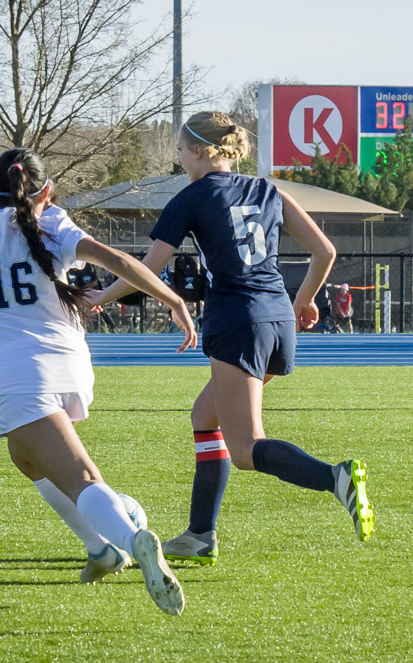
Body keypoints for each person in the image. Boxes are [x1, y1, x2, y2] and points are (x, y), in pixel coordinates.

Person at [0, 147, 194, 615]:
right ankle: (101, 545)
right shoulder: (55, 224)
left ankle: (131, 537)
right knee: (29, 459)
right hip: (70, 364)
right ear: (48, 191)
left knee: (78, 477)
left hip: (15, 375)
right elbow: (118, 260)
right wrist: (172, 300)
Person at [91, 111, 375, 566]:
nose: (178, 157)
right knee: (205, 417)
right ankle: (200, 535)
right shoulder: (268, 189)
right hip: (278, 320)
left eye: (181, 149)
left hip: (238, 321)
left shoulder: (191, 198)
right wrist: (302, 302)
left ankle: (336, 479)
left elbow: (147, 267)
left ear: (201, 152)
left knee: (245, 448)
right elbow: (325, 251)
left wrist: (102, 294)